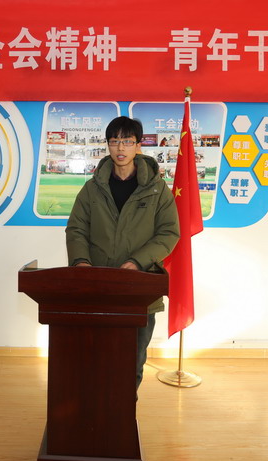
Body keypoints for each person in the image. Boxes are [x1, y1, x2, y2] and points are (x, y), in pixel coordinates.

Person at [65, 116, 180, 390]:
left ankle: (126, 411)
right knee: (94, 357)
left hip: (139, 289)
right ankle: (95, 411)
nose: (120, 148)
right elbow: (76, 228)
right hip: (97, 286)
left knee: (132, 362)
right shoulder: (93, 188)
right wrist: (81, 262)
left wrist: (137, 262)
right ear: (107, 144)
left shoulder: (156, 190)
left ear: (138, 146)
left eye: (127, 141)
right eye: (114, 141)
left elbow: (168, 233)